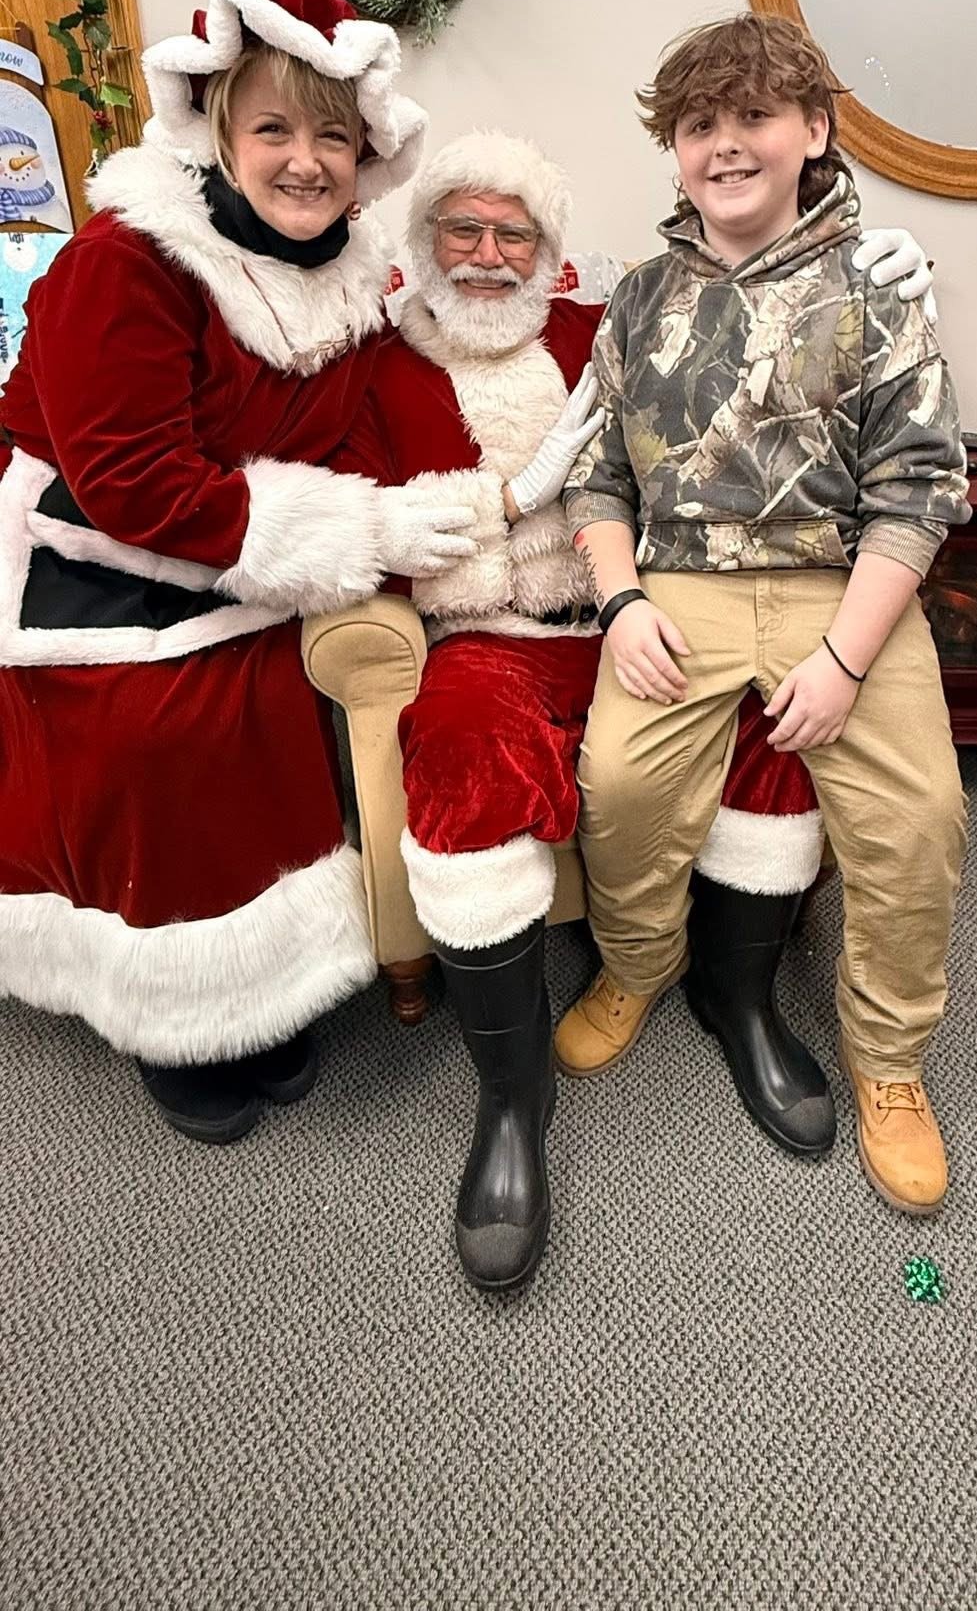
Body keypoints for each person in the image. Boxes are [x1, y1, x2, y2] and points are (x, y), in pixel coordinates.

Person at [357, 129, 940, 1289]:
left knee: (773, 745)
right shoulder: (375, 363)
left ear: (549, 252)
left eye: (511, 232)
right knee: (470, 761)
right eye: (460, 230)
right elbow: (363, 529)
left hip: (640, 607)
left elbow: (753, 307)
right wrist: (508, 502)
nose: (485, 254)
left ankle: (740, 996)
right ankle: (513, 1102)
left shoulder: (604, 316)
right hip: (489, 635)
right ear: (421, 245)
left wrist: (876, 252)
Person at [0, 0, 475, 1144]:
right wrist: (357, 534)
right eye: (274, 128)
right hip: (93, 549)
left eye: (331, 133)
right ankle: (173, 1013)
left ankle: (258, 984)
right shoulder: (129, 259)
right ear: (218, 132)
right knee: (161, 728)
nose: (306, 161)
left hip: (242, 558)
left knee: (272, 702)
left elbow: (357, 431)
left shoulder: (356, 270)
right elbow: (130, 480)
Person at [561, 13, 970, 1217]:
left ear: (814, 131)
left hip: (842, 585)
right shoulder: (636, 299)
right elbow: (597, 476)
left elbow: (919, 492)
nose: (724, 144)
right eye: (699, 124)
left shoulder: (878, 286)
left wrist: (846, 658)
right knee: (620, 784)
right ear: (675, 150)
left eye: (752, 116)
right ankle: (642, 964)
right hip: (677, 582)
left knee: (923, 816)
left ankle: (889, 1061)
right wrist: (622, 596)